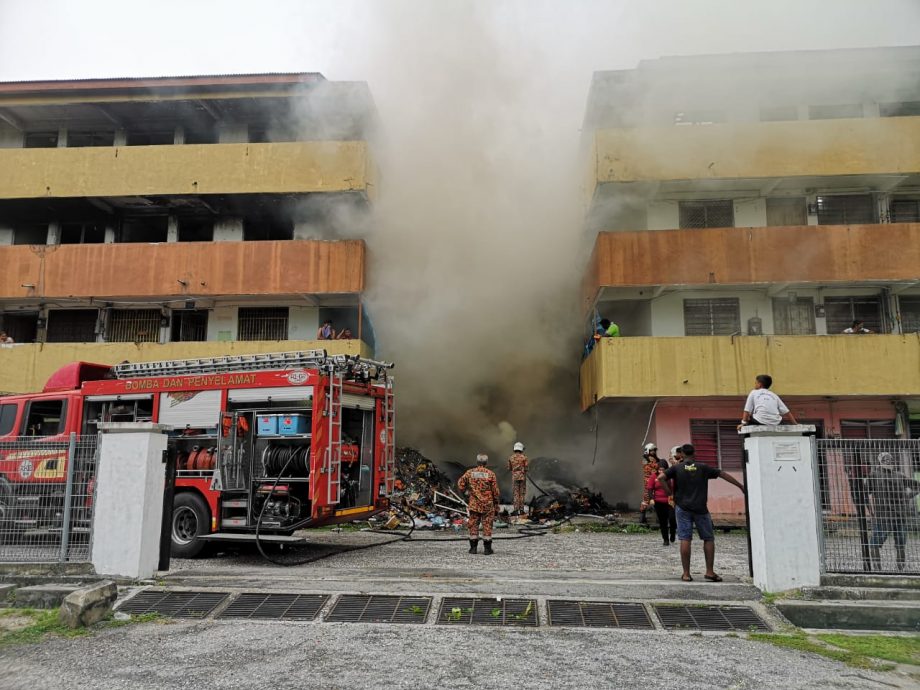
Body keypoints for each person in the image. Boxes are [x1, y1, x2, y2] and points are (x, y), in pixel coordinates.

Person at [658, 443, 746, 582]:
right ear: (694, 454)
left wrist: (669, 492)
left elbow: (660, 477)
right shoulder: (703, 467)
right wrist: (740, 485)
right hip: (700, 509)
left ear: (681, 455)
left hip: (683, 508)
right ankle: (709, 572)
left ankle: (686, 574)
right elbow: (722, 474)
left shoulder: (677, 468)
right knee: (708, 539)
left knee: (685, 539)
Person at [868, 452, 920, 572]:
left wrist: (870, 509)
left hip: (884, 516)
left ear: (879, 462)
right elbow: (917, 486)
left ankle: (878, 570)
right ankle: (900, 569)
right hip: (898, 515)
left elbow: (865, 492)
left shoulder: (875, 475)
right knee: (900, 544)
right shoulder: (898, 475)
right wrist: (908, 496)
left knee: (874, 544)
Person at [457, 453, 500, 555]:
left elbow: (460, 484)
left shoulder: (470, 473)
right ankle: (487, 549)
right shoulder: (490, 474)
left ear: (477, 462)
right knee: (487, 525)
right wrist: (496, 503)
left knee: (473, 525)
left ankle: (473, 549)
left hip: (474, 504)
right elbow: (496, 492)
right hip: (488, 505)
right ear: (486, 462)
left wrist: (467, 492)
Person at [645, 461, 676, 546]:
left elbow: (675, 488)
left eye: (663, 470)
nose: (661, 471)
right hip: (659, 502)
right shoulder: (653, 476)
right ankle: (665, 539)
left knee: (672, 519)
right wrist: (651, 498)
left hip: (670, 501)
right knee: (663, 521)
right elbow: (650, 488)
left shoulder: (671, 477)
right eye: (659, 470)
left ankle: (673, 533)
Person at [639, 443, 666, 524]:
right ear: (648, 451)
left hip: (656, 479)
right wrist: (659, 464)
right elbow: (650, 469)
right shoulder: (645, 459)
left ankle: (659, 518)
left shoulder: (655, 459)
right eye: (652, 450)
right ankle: (642, 517)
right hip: (648, 480)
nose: (654, 451)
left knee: (657, 497)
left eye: (654, 450)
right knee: (647, 498)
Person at [507, 441, 529, 515]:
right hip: (522, 477)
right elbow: (526, 468)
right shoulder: (524, 457)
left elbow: (509, 468)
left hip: (515, 477)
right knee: (522, 493)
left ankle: (516, 510)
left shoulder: (511, 458)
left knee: (516, 493)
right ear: (521, 449)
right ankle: (522, 510)